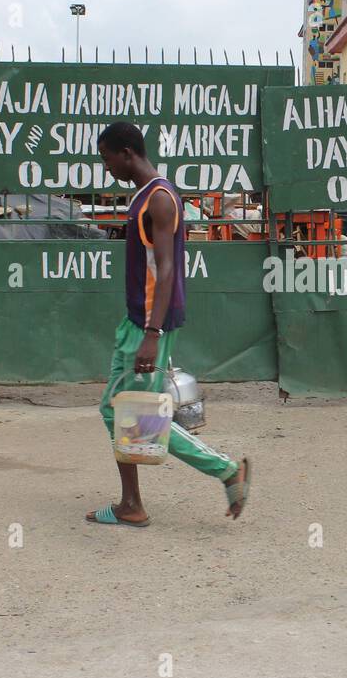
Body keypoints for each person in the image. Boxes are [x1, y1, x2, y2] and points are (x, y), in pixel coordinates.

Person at [86, 121, 251, 528]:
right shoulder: (147, 196)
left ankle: (225, 471)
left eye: (107, 159)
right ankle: (132, 503)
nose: (106, 168)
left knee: (139, 416)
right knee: (118, 411)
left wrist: (151, 334)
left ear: (127, 153)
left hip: (148, 324)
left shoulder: (159, 200)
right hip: (137, 320)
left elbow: (166, 267)